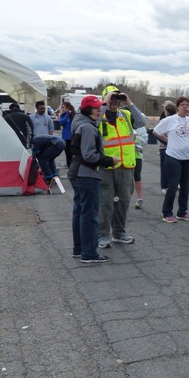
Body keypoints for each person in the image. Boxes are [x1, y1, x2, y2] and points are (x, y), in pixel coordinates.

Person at [68, 95, 119, 264]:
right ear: (88, 110)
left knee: (80, 212)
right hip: (86, 175)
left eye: (100, 107)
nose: (100, 111)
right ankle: (89, 253)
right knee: (89, 215)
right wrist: (109, 160)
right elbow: (89, 155)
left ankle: (79, 249)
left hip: (77, 173)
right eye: (96, 108)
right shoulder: (88, 128)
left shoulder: (80, 122)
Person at [96, 85, 147, 249]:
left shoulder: (125, 115)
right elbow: (93, 123)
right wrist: (104, 104)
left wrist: (129, 102)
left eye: (117, 99)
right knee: (105, 202)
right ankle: (103, 235)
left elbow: (141, 122)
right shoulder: (98, 116)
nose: (115, 102)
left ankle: (119, 233)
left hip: (126, 166)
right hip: (106, 167)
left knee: (123, 201)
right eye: (112, 98)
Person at [152, 96, 189, 223]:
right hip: (173, 157)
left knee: (185, 186)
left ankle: (182, 212)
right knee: (173, 186)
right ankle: (167, 212)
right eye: (182, 104)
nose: (185, 106)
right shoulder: (170, 120)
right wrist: (167, 141)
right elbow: (156, 131)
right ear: (177, 107)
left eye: (187, 104)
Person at [157, 101, 177, 193]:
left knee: (164, 167)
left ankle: (164, 186)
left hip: (164, 146)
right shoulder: (178, 120)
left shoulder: (163, 121)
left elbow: (157, 132)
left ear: (166, 110)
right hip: (175, 147)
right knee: (175, 167)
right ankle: (174, 184)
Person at [57, 101, 76, 169]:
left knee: (73, 155)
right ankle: (69, 170)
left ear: (68, 108)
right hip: (65, 138)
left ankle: (74, 170)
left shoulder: (73, 116)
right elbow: (61, 122)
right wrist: (67, 114)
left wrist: (69, 114)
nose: (62, 109)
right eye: (61, 107)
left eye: (63, 107)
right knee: (68, 155)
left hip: (72, 138)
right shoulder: (62, 115)